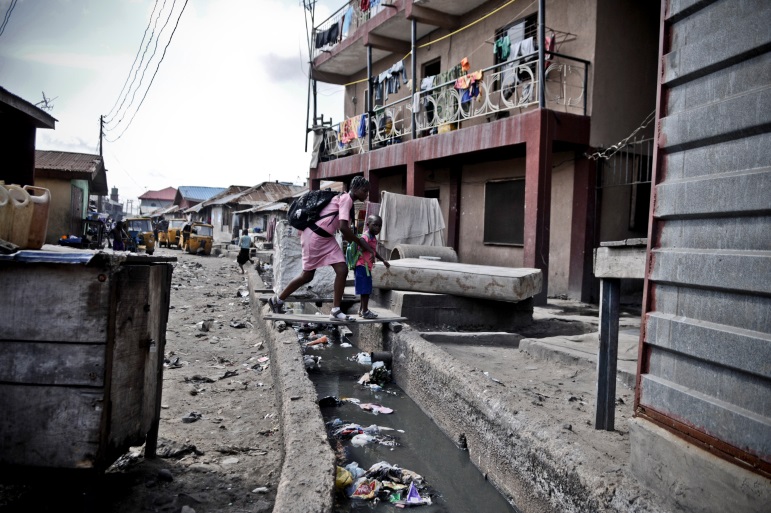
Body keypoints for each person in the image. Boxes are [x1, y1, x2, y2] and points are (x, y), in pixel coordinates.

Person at [269, 176, 376, 321]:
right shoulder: (346, 199)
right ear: (355, 189)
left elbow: (341, 227)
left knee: (342, 270)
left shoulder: (346, 201)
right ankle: (277, 301)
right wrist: (361, 244)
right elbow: (344, 228)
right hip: (315, 237)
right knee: (307, 275)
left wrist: (357, 243)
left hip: (326, 239)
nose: (366, 194)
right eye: (364, 191)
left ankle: (336, 311)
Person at [354, 214, 390, 319]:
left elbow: (374, 251)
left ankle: (362, 310)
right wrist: (370, 251)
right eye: (375, 225)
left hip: (366, 267)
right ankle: (365, 311)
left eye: (379, 226)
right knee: (365, 290)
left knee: (365, 290)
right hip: (362, 266)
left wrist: (383, 260)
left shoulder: (373, 237)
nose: (377, 228)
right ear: (367, 224)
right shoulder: (367, 235)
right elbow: (361, 241)